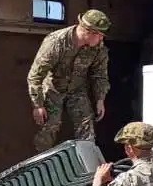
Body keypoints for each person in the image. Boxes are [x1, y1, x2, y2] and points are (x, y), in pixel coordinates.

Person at [27, 9, 112, 153]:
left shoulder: (98, 49)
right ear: (89, 32)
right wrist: (38, 104)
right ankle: (41, 164)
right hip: (54, 88)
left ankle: (87, 166)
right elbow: (35, 75)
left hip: (77, 89)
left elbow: (100, 75)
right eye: (100, 36)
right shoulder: (56, 42)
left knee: (86, 125)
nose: (101, 40)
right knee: (50, 126)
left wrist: (100, 99)